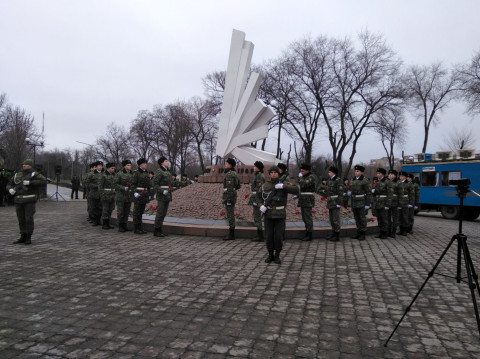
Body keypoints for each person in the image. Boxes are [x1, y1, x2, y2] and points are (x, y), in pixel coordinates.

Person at [258, 166, 299, 264]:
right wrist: (261, 206)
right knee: (268, 235)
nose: (273, 174)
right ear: (269, 174)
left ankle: (277, 255)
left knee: (278, 236)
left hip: (279, 214)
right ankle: (270, 254)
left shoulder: (283, 184)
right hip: (268, 214)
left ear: (278, 173)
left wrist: (283, 186)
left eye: (275, 172)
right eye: (271, 172)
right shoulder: (265, 185)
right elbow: (258, 197)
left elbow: (296, 190)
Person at [7, 159, 47, 245]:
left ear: (30, 165)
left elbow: (44, 181)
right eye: (23, 164)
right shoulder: (17, 174)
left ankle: (28, 236)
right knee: (21, 219)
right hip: (18, 200)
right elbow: (9, 184)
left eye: (26, 164)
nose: (24, 165)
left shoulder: (34, 174)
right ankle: (23, 235)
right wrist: (10, 189)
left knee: (28, 218)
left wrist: (30, 182)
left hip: (29, 200)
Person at [349, 165, 372, 241]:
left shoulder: (365, 180)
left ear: (362, 172)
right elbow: (350, 189)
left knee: (362, 218)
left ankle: (363, 233)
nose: (356, 172)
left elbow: (368, 193)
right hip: (354, 201)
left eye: (358, 171)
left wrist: (368, 204)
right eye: (355, 171)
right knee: (357, 218)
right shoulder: (352, 180)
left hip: (362, 202)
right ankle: (358, 232)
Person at [153, 156, 173, 237]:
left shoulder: (167, 172)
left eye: (167, 161)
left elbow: (169, 183)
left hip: (167, 195)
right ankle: (156, 230)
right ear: (162, 163)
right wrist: (162, 191)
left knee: (164, 213)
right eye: (166, 161)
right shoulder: (159, 171)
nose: (168, 162)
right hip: (161, 195)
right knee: (160, 213)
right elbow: (154, 184)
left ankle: (160, 229)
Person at [222, 157, 241, 240]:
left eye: (227, 164)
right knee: (230, 213)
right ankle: (231, 233)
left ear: (230, 165)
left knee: (230, 214)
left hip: (229, 196)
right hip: (232, 195)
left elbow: (229, 187)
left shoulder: (230, 174)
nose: (225, 165)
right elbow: (238, 185)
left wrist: (228, 199)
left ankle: (231, 234)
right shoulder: (234, 173)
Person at [131, 158, 151, 234]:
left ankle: (140, 227)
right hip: (138, 194)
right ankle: (136, 228)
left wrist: (149, 194)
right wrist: (134, 192)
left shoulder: (146, 173)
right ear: (140, 164)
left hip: (144, 194)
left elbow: (149, 185)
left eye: (146, 163)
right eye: (144, 163)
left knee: (141, 211)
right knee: (137, 211)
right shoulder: (136, 173)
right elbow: (132, 184)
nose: (145, 164)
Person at [371, 168, 393, 239]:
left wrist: (388, 204)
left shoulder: (387, 181)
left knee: (384, 219)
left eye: (379, 173)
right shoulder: (377, 181)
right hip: (377, 203)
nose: (378, 175)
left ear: (383, 174)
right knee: (379, 218)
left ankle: (385, 233)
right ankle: (380, 232)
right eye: (377, 173)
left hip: (384, 202)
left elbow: (390, 194)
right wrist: (373, 191)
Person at [298, 163, 317, 241]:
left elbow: (304, 184)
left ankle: (309, 234)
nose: (301, 172)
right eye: (301, 171)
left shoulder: (311, 177)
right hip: (303, 198)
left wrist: (300, 178)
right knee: (304, 217)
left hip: (308, 199)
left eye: (303, 170)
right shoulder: (304, 177)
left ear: (307, 170)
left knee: (307, 217)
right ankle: (307, 231)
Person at [114, 160, 133, 232]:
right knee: (121, 212)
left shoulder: (132, 174)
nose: (129, 166)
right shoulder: (119, 174)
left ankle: (125, 225)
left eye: (130, 165)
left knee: (127, 211)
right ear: (124, 166)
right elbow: (115, 184)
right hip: (121, 196)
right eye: (128, 165)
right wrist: (123, 187)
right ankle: (120, 226)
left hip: (128, 196)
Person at [326, 166, 344, 241]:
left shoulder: (338, 180)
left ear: (333, 172)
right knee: (331, 219)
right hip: (330, 202)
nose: (328, 173)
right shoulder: (330, 180)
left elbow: (340, 192)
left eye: (329, 172)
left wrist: (339, 203)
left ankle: (337, 235)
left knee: (336, 219)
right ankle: (333, 233)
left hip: (335, 202)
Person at [249, 161, 266, 242]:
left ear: (258, 168)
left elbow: (259, 190)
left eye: (255, 166)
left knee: (257, 217)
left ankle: (260, 236)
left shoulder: (259, 176)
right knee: (256, 217)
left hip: (257, 198)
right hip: (256, 197)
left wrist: (256, 200)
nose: (254, 167)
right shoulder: (258, 175)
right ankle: (259, 234)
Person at [99, 163, 116, 229]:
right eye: (112, 168)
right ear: (108, 168)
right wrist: (102, 195)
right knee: (105, 210)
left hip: (112, 195)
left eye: (114, 168)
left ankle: (108, 223)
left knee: (110, 209)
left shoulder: (114, 175)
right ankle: (104, 224)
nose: (113, 169)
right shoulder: (103, 175)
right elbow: (100, 186)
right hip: (106, 195)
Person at [87, 161, 104, 226]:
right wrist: (96, 186)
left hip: (101, 194)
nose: (100, 167)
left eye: (101, 166)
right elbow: (88, 184)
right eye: (99, 166)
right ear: (96, 167)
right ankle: (94, 220)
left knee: (100, 208)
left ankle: (98, 220)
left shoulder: (104, 174)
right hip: (94, 194)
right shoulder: (91, 174)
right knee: (93, 208)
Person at [397, 171, 414, 236]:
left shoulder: (409, 184)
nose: (401, 177)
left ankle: (405, 230)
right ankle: (400, 230)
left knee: (405, 216)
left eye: (402, 176)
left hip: (406, 202)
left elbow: (412, 194)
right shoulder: (398, 183)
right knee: (399, 216)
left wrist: (411, 203)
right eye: (400, 176)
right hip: (399, 202)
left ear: (405, 177)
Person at [387, 169, 400, 238]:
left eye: (392, 174)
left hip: (395, 202)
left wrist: (400, 204)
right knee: (388, 217)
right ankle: (388, 230)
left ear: (395, 176)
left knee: (395, 217)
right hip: (387, 202)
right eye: (389, 174)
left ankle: (394, 231)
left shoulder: (398, 183)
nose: (390, 175)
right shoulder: (386, 182)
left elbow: (401, 194)